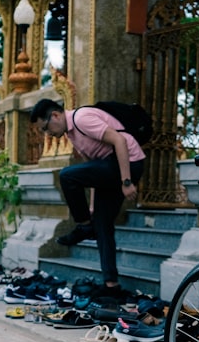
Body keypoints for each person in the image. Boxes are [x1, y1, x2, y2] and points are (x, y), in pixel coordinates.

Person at [30, 98, 145, 299]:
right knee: (102, 226)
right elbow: (94, 172)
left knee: (67, 175)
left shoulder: (82, 119)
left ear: (55, 115)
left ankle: (84, 227)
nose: (48, 135)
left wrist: (126, 182)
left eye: (46, 128)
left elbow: (119, 141)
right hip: (111, 167)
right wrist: (91, 207)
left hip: (129, 161)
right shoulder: (72, 134)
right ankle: (112, 286)